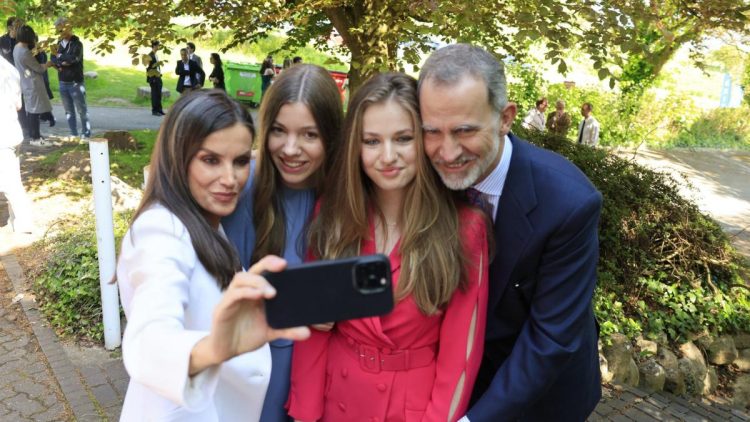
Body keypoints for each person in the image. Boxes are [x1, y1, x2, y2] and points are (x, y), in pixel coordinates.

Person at [288, 73, 489, 422]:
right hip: (336, 397)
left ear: (424, 140)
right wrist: (305, 414)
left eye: (403, 138)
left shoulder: (464, 228)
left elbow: (461, 356)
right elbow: (312, 331)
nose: (387, 156)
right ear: (356, 145)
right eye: (371, 141)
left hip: (409, 407)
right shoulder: (334, 214)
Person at [418, 43, 602, 421]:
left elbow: (550, 339)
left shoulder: (569, 203)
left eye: (465, 131)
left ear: (505, 118)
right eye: (432, 131)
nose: (446, 153)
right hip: (450, 388)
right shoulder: (423, 179)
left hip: (541, 399)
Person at [117, 90, 310, 421]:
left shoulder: (205, 224)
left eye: (239, 162)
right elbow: (148, 339)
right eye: (210, 160)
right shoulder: (162, 230)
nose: (230, 179)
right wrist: (212, 349)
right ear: (178, 156)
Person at [222, 63, 343, 422]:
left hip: (326, 372)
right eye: (279, 131)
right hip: (257, 370)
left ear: (332, 136)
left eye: (309, 135)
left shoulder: (347, 194)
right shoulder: (243, 186)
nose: (291, 149)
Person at [0, 50, 35, 234]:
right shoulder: (10, 69)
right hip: (12, 131)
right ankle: (20, 221)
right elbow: (18, 105)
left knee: (11, 184)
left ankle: (24, 223)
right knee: (12, 180)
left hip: (3, 136)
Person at [13, 25, 55, 147]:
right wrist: (47, 64)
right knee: (34, 111)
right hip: (32, 83)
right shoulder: (24, 52)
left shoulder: (17, 47)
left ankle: (36, 135)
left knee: (32, 110)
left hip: (25, 82)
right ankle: (35, 138)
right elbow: (38, 68)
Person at [53, 17, 91, 139]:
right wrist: (61, 61)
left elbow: (73, 59)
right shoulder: (57, 44)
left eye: (62, 29)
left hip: (76, 83)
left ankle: (86, 133)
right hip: (63, 82)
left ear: (69, 28)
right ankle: (73, 133)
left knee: (81, 110)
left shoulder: (77, 44)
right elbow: (53, 59)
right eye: (58, 30)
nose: (60, 32)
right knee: (69, 111)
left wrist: (60, 58)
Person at [145, 40, 165, 116]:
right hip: (153, 78)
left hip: (158, 77)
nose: (159, 47)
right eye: (158, 45)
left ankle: (159, 110)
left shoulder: (155, 55)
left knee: (159, 94)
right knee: (154, 95)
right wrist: (152, 78)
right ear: (154, 46)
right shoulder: (149, 55)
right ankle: (155, 110)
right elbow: (148, 68)